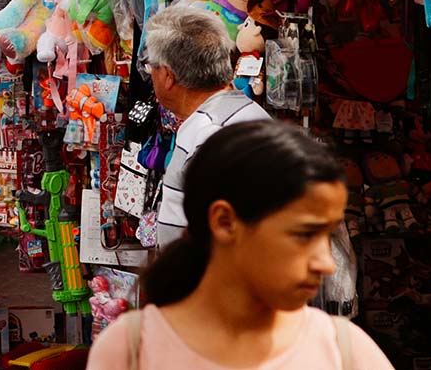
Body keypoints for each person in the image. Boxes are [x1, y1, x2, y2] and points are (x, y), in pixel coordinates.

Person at [88, 121, 391, 369]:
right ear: (224, 222)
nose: (326, 263)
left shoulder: (345, 352)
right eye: (303, 235)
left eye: (327, 236)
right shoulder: (129, 352)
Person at [145, 5, 270, 246]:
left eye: (152, 67)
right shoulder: (243, 113)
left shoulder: (210, 134)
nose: (151, 75)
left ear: (169, 76)